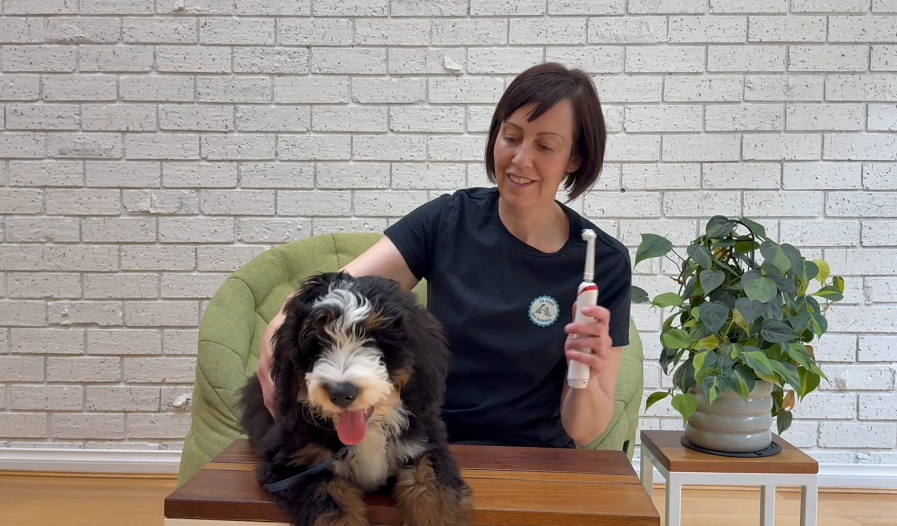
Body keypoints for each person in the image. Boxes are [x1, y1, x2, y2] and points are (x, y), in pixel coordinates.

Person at [257, 62, 632, 450]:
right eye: (511, 136)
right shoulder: (448, 220)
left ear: (574, 158)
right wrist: (277, 331)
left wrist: (586, 368)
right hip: (426, 446)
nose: (520, 159)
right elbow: (338, 290)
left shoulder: (603, 262)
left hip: (534, 456)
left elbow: (584, 431)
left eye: (545, 146)